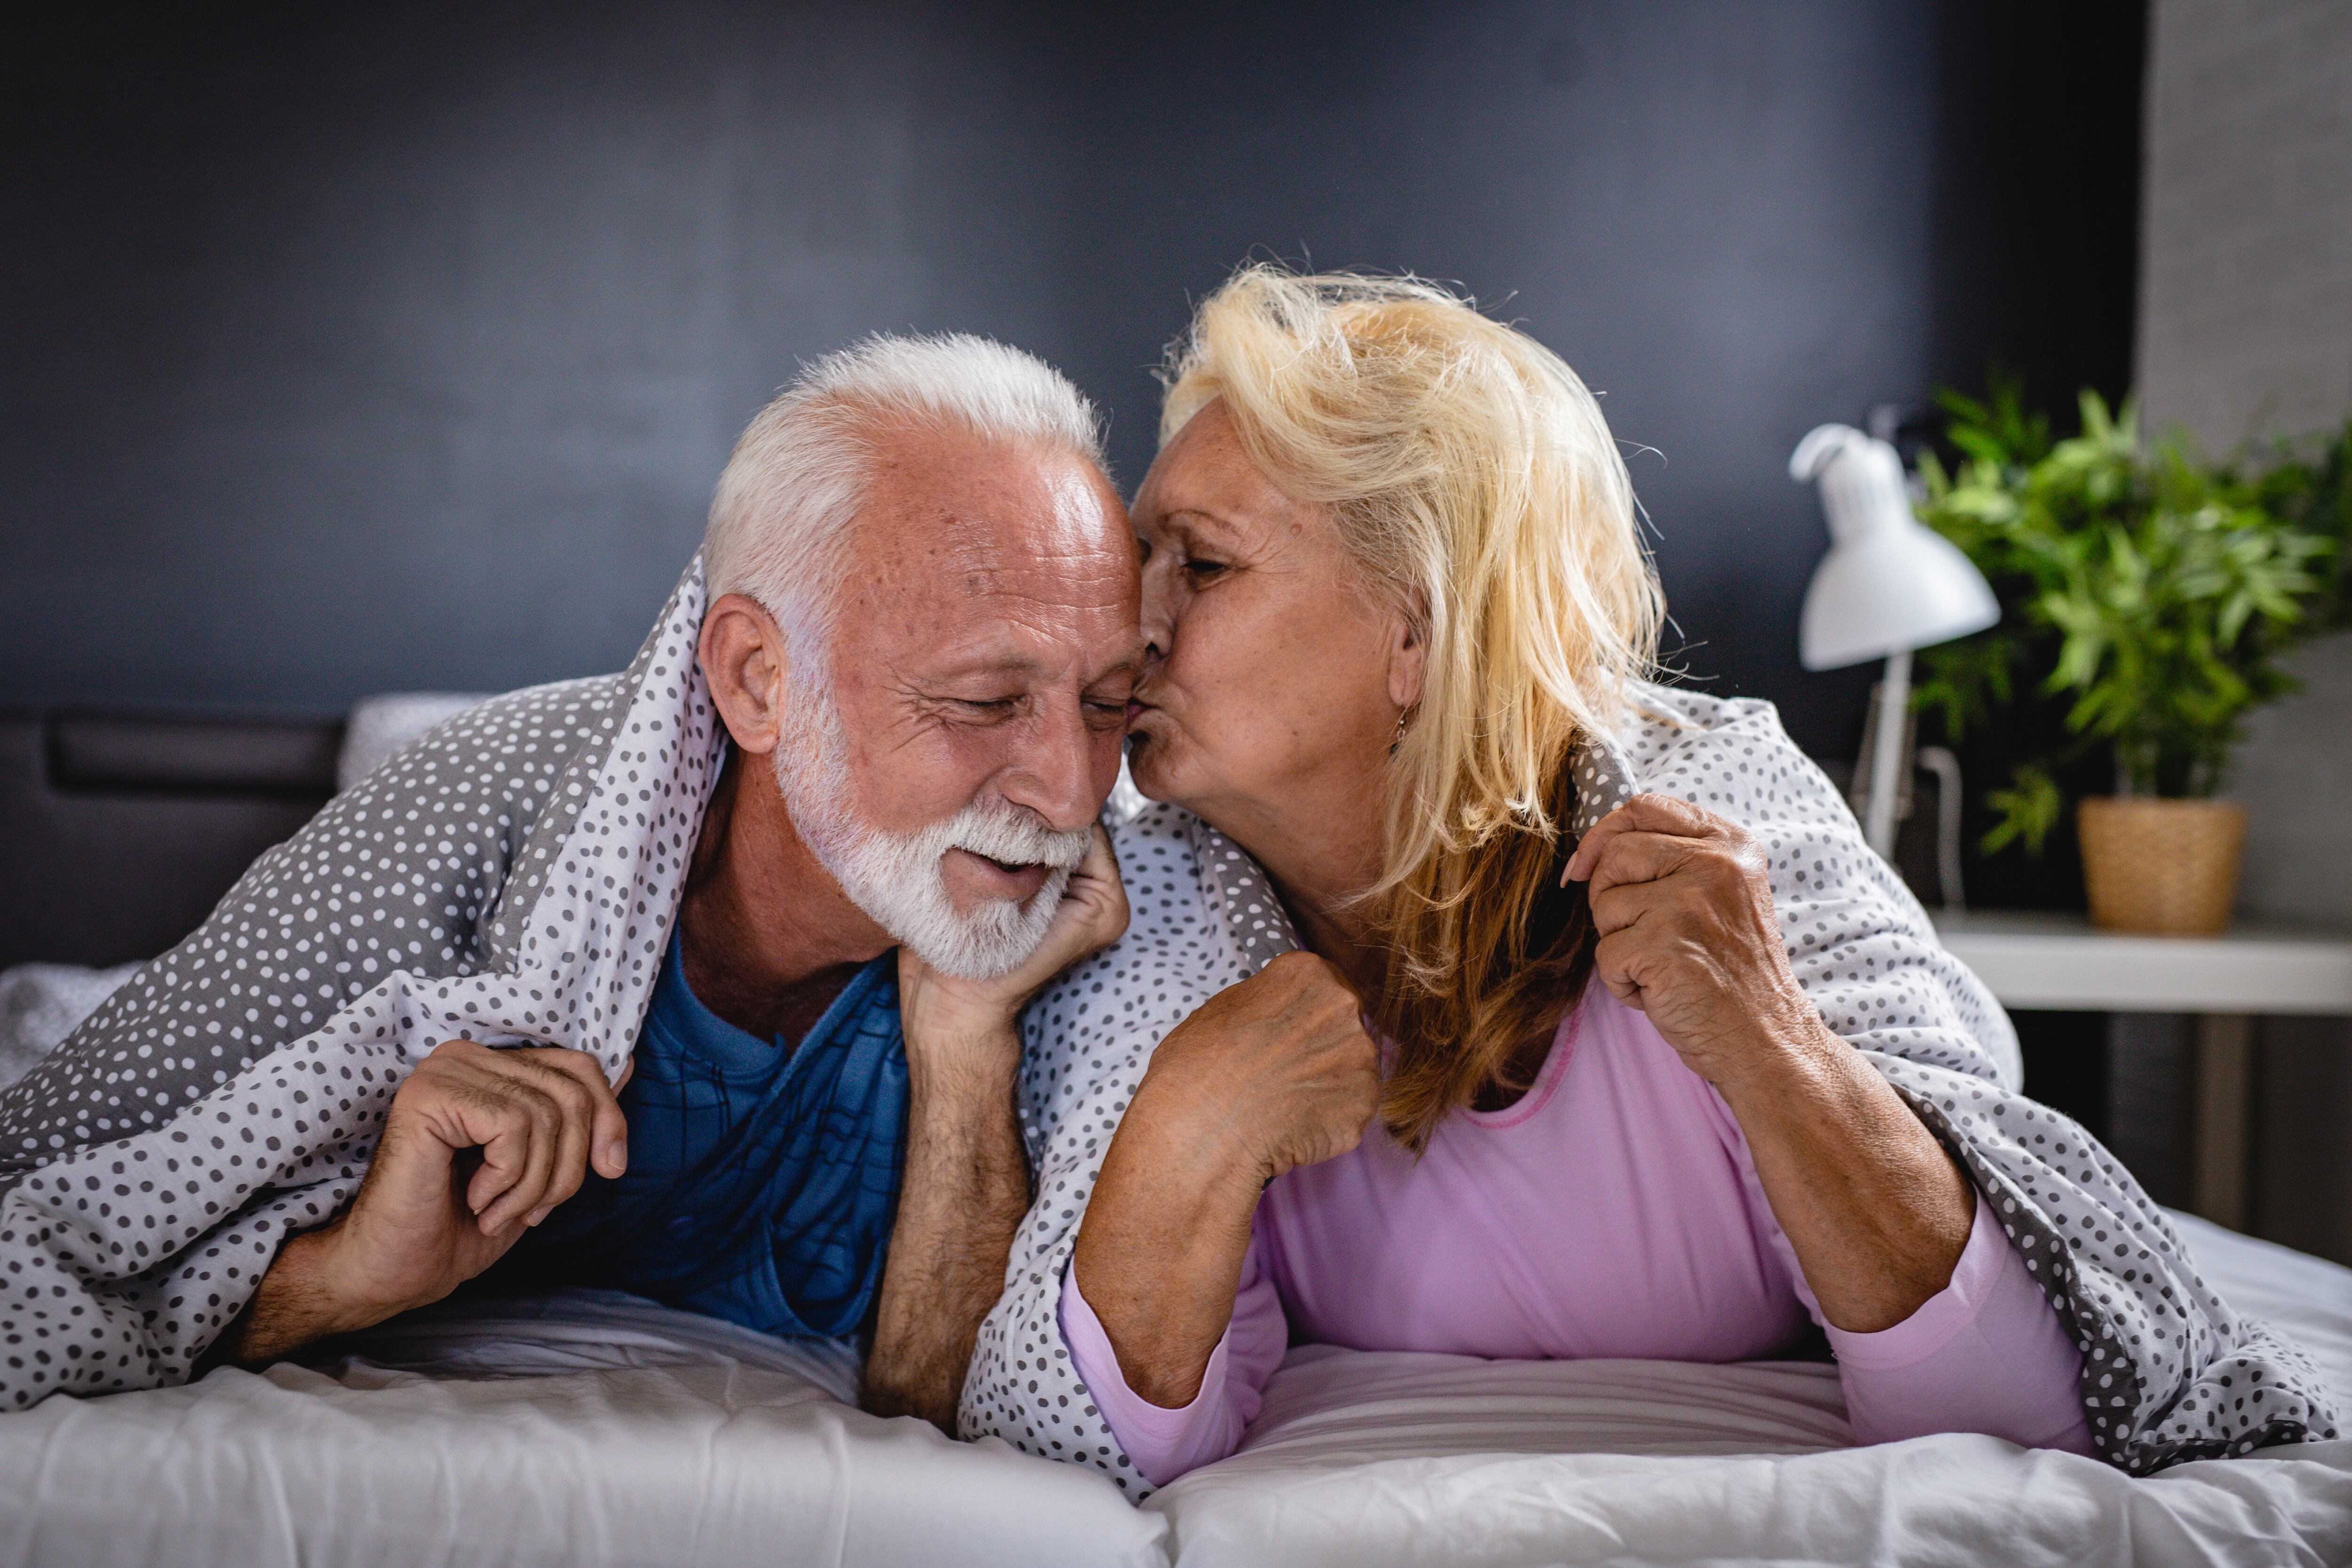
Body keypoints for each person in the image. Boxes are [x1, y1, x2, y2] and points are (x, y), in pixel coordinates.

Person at [959, 266, 2336, 1492]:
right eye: (1141, 553)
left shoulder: (1718, 810)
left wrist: (1767, 1034)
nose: (1126, 624)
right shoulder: (1153, 901)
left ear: (1419, 637)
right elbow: (1068, 1435)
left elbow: (2029, 1409)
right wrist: (1189, 1130)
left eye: (1198, 562)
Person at [0, 333, 1141, 1430]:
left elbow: (969, 1418)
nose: (1069, 789)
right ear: (756, 680)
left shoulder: (1103, 920)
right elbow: (35, 1256)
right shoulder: (453, 825)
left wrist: (967, 1038)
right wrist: (342, 1277)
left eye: (1104, 702)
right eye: (986, 700)